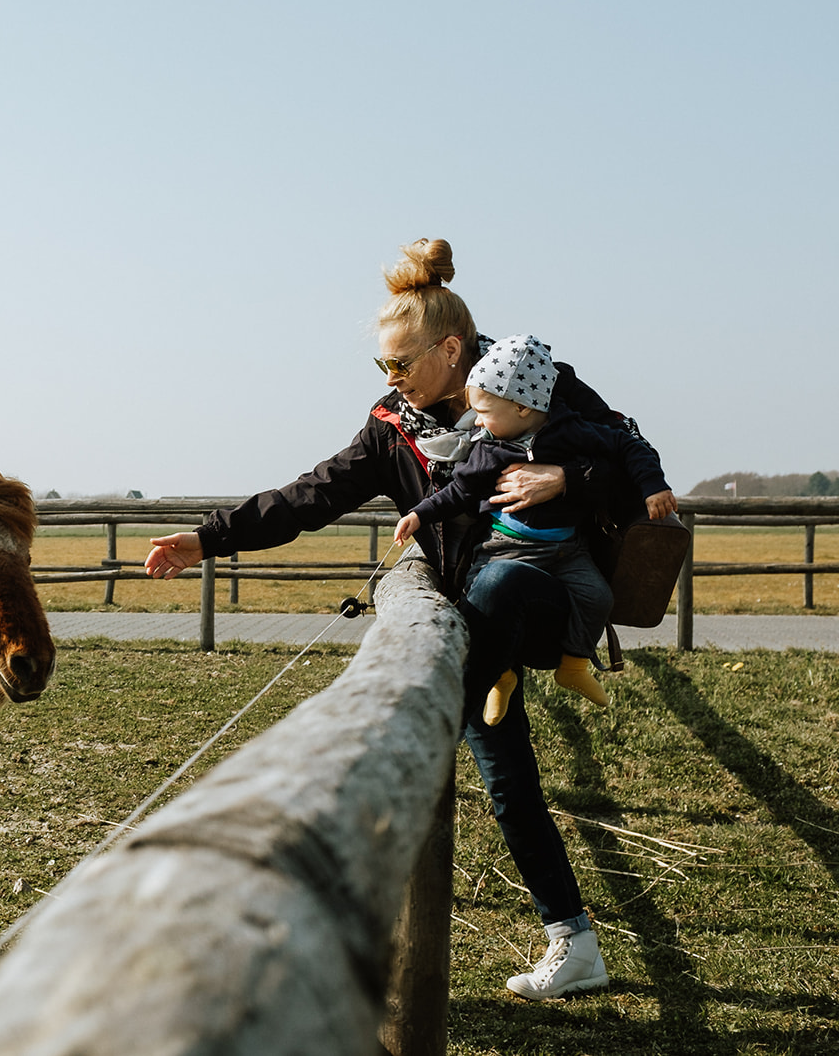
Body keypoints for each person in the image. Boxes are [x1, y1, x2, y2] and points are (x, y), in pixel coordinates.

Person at [145, 238, 653, 1000]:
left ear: (451, 350)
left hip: (546, 597)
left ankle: (354, 813)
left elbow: (631, 450)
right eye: (381, 365)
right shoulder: (393, 424)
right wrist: (205, 539)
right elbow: (309, 496)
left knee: (503, 593)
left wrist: (565, 475)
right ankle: (574, 941)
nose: (390, 377)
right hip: (473, 623)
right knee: (510, 780)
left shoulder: (530, 382)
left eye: (401, 362)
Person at [392, 334, 677, 722]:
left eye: (485, 410)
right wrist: (420, 514)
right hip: (501, 548)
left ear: (523, 408)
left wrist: (653, 485)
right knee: (485, 608)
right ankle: (500, 676)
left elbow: (629, 445)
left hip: (566, 550)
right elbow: (459, 490)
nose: (477, 420)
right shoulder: (489, 446)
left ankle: (574, 665)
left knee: (598, 598)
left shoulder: (572, 430)